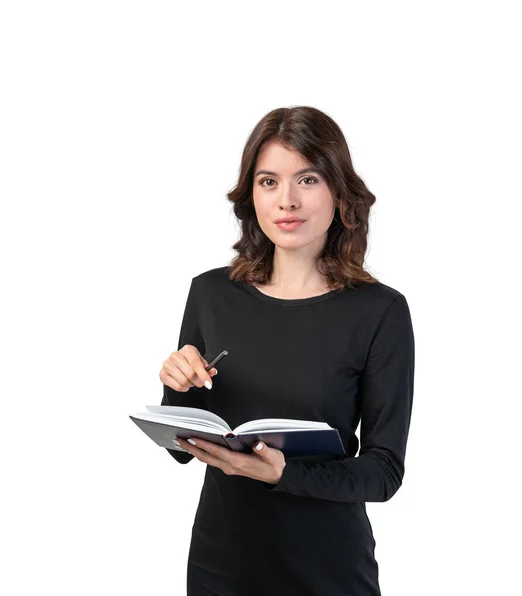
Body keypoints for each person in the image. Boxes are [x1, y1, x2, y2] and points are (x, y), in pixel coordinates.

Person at [159, 105, 415, 595]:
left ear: (339, 193)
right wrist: (177, 384)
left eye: (309, 179)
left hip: (327, 569)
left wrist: (284, 474)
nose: (287, 201)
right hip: (220, 566)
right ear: (251, 194)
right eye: (269, 181)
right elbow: (182, 450)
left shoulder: (379, 312)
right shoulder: (211, 294)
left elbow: (383, 472)